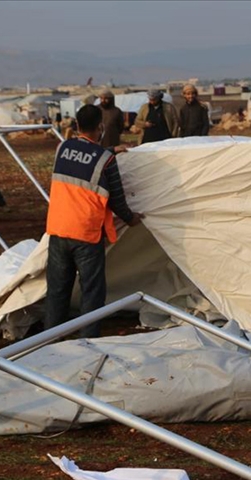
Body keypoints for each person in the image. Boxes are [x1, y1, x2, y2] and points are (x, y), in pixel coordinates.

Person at [44, 104, 143, 339]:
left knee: (57, 289)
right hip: (86, 234)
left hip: (58, 229)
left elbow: (82, 158)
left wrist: (110, 149)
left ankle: (48, 339)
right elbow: (117, 200)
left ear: (77, 125)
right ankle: (88, 339)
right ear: (101, 126)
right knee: (92, 291)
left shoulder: (62, 148)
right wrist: (131, 220)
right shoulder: (106, 160)